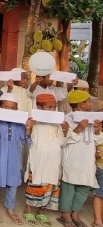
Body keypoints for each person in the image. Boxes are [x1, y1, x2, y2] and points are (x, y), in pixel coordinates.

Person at [0, 93, 33, 224]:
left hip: (14, 157)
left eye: (13, 108)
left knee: (12, 183)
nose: (9, 110)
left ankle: (10, 209)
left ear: (17, 109)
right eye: (6, 107)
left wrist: (28, 129)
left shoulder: (19, 124)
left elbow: (25, 142)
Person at [59, 90, 103, 227]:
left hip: (87, 161)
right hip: (72, 159)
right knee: (69, 188)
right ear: (82, 105)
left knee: (83, 189)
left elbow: (96, 141)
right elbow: (62, 141)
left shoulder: (92, 119)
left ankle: (75, 213)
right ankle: (65, 214)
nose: (92, 104)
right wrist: (77, 129)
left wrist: (97, 131)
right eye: (89, 101)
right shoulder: (67, 118)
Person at [24, 93, 67, 227]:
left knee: (50, 185)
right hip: (38, 159)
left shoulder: (57, 123)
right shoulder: (32, 121)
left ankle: (41, 212)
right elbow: (27, 141)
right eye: (49, 106)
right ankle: (28, 209)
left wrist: (65, 130)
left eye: (54, 107)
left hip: (54, 159)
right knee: (36, 184)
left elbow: (61, 141)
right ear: (39, 107)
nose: (52, 109)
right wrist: (30, 127)